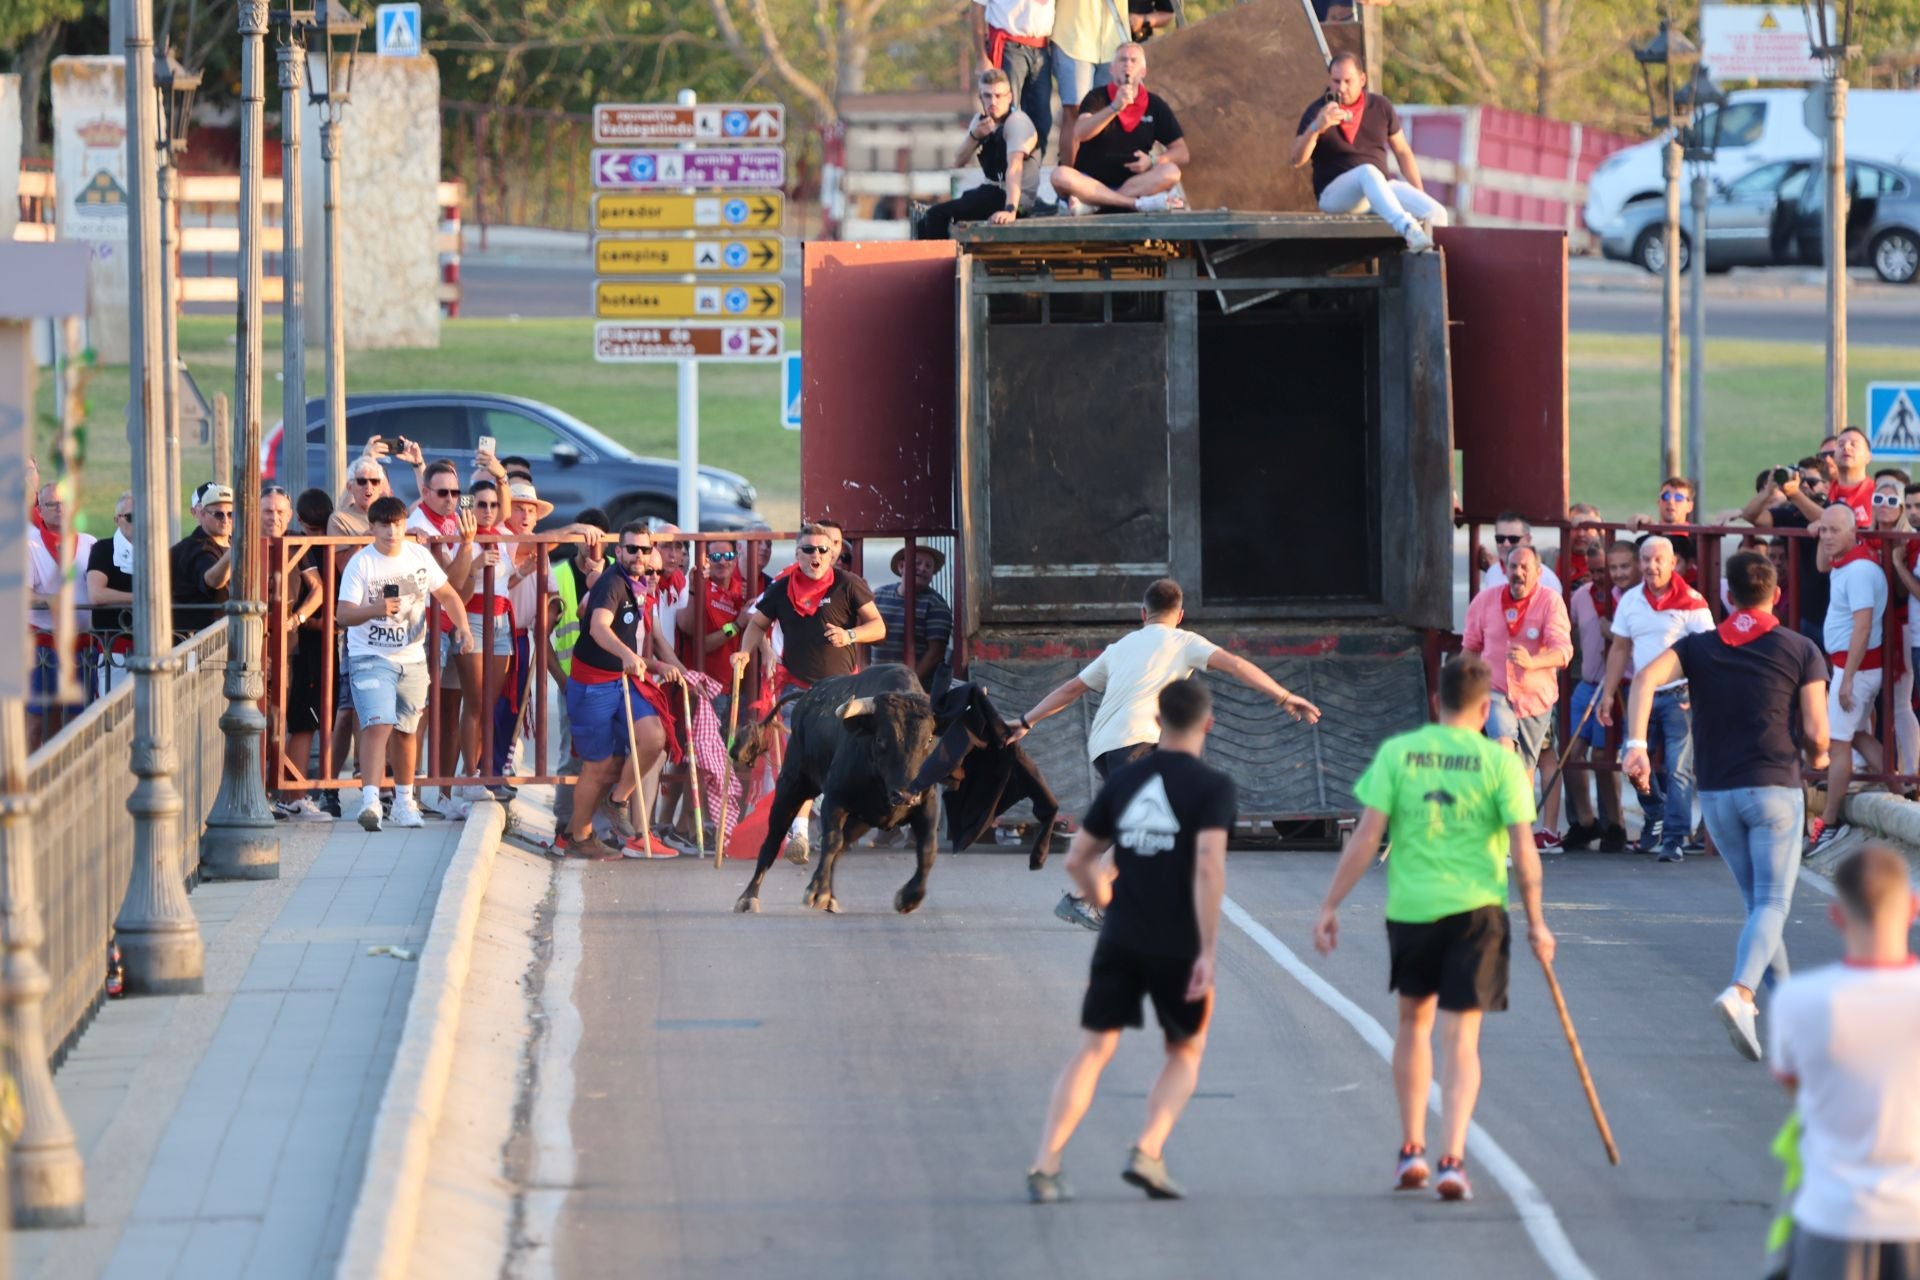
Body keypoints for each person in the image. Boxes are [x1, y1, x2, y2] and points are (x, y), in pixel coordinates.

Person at [1314, 653, 1554, 1203]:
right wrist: (1538, 923)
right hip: (1477, 911)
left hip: (1413, 908)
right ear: (1485, 708)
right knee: (1462, 1039)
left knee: (1412, 1025)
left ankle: (1411, 1149)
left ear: (1435, 701)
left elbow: (1366, 836)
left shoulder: (1401, 754)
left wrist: (1330, 905)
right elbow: (1524, 849)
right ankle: (1452, 1160)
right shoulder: (1501, 764)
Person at [1009, 578, 1321, 929]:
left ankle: (1117, 900)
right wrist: (1283, 696)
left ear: (1143, 613)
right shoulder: (1184, 641)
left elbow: (1071, 689)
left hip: (1105, 746)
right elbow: (1235, 664)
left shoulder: (1120, 647)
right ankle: (1083, 900)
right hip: (1141, 741)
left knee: (1147, 821)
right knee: (1150, 823)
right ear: (1181, 615)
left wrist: (1026, 720)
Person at [1026, 680, 1233, 1204]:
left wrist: (1106, 899)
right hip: (1179, 944)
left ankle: (1046, 1164)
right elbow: (1209, 868)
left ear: (1157, 723)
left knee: (1093, 1051)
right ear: (1207, 724)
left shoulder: (1126, 781)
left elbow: (1078, 859)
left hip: (1120, 939)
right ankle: (1147, 1149)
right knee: (1185, 1052)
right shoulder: (1212, 787)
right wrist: (1207, 951)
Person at [1623, 550, 1830, 1060]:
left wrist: (1634, 746)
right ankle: (1741, 992)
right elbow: (1818, 732)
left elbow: (1645, 679)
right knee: (1774, 904)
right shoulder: (1800, 648)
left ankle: (1790, 1023)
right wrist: (1821, 758)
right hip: (1775, 787)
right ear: (1776, 596)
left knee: (1759, 906)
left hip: (1717, 795)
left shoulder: (1698, 646)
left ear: (1725, 595)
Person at [1769, 845, 1920, 1279]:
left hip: (1832, 1214)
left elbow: (1797, 1089)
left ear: (1836, 915)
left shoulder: (1797, 1000)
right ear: (1911, 909)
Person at [731, 522, 887, 863]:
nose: (815, 556)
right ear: (797, 554)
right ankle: (799, 834)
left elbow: (878, 627)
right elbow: (757, 624)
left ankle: (853, 819)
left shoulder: (849, 585)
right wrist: (745, 652)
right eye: (807, 550)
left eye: (821, 550)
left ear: (832, 553)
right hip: (797, 692)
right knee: (802, 762)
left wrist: (849, 636)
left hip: (843, 691)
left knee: (849, 759)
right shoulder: (782, 588)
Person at [335, 496, 474, 831]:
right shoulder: (362, 563)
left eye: (397, 524)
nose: (391, 531)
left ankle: (404, 801)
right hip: (370, 656)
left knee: (407, 731)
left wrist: (464, 628)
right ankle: (370, 799)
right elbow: (343, 615)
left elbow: (448, 595)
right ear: (372, 528)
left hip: (412, 658)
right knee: (378, 723)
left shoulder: (418, 556)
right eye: (383, 525)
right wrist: (376, 609)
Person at [563, 523, 689, 859]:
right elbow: (598, 626)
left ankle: (618, 800)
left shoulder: (639, 585)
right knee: (598, 766)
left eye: (644, 549)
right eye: (631, 549)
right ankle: (578, 837)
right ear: (618, 552)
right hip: (593, 683)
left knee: (654, 737)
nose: (639, 555)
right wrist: (630, 657)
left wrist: (657, 664)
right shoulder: (614, 582)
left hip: (620, 679)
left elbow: (625, 637)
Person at [1596, 536, 1713, 861]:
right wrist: (1608, 693)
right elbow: (1620, 648)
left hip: (1681, 696)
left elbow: (1707, 653)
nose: (1651, 566)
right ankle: (1657, 812)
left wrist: (1700, 694)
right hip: (1640, 696)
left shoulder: (1692, 602)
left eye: (1658, 559)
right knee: (1630, 760)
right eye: (1645, 559)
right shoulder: (1632, 601)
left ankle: (1674, 838)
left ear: (1672, 563)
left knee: (1678, 770)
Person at [1291, 52, 1445, 254]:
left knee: (1435, 213)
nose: (1341, 88)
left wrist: (1417, 193)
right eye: (1336, 81)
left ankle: (1427, 263)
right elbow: (1296, 159)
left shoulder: (1380, 107)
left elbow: (1403, 153)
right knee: (1368, 172)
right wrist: (1316, 128)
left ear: (1362, 80)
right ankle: (1408, 228)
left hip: (1378, 189)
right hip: (1336, 195)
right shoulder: (1319, 110)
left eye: (1348, 81)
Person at [1460, 547, 1572, 820]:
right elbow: (1470, 649)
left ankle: (1511, 832)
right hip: (1495, 690)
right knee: (1503, 747)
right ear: (1504, 570)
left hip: (1536, 697)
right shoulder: (1484, 601)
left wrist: (1533, 662)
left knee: (1524, 770)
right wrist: (1461, 689)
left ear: (1538, 572)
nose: (1518, 573)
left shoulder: (1551, 601)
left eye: (1524, 567)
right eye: (1513, 567)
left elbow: (1564, 651)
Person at [1808, 506, 1888, 858]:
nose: (1826, 537)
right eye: (1822, 530)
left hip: (1853, 670)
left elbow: (1863, 626)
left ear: (1853, 531)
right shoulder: (1845, 561)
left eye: (1833, 531)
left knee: (1837, 746)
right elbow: (1822, 565)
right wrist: (1820, 534)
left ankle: (1829, 822)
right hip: (1849, 669)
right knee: (1853, 735)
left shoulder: (1859, 571)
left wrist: (1847, 680)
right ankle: (1897, 784)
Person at [1049, 43, 1188, 216]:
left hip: (1134, 183)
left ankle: (1097, 205)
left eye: (1133, 60)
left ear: (1143, 72)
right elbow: (1080, 133)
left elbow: (1182, 152)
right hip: (1091, 183)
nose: (1127, 64)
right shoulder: (1097, 97)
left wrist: (1153, 161)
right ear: (1112, 69)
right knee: (1060, 175)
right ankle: (1134, 204)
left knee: (1171, 172)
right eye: (1122, 59)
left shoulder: (1155, 104)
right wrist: (1114, 107)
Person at [263, 484, 331, 822]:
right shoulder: (242, 542)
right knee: (259, 724)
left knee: (294, 721)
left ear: (290, 515)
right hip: (251, 650)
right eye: (267, 511)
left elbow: (318, 589)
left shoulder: (296, 542)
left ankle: (293, 796)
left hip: (290, 650)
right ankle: (258, 797)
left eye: (279, 512)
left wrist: (297, 618)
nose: (273, 517)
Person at [1561, 540, 1630, 852]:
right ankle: (1586, 822)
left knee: (1604, 757)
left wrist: (1611, 633)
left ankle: (1614, 824)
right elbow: (1567, 629)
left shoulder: (1626, 599)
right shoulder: (1580, 596)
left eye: (1605, 570)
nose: (1601, 577)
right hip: (1587, 682)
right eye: (1594, 572)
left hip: (1614, 684)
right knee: (1572, 754)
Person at [921, 69, 1043, 239]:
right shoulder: (981, 122)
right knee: (929, 219)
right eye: (987, 96)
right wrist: (974, 136)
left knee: (937, 215)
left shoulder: (1017, 123)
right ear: (980, 98)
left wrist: (1010, 211)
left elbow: (1015, 168)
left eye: (998, 96)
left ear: (1009, 97)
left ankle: (936, 265)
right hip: (992, 193)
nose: (993, 101)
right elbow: (958, 162)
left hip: (1016, 201)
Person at [28, 480, 99, 743]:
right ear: (41, 509)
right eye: (52, 504)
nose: (60, 509)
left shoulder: (90, 542)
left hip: (83, 646)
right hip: (43, 645)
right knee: (39, 719)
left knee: (79, 719)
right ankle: (32, 776)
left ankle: (74, 777)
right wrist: (52, 601)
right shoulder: (29, 545)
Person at [1744, 455, 1832, 646]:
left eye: (1812, 482)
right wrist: (1769, 490)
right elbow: (1751, 516)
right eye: (1802, 481)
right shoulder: (1791, 513)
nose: (1805, 486)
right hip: (1804, 611)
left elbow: (1830, 521)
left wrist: (1795, 495)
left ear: (1827, 486)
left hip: (1832, 610)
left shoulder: (1837, 509)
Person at [1869, 476, 1918, 777]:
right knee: (1862, 702)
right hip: (1868, 625)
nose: (1884, 507)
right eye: (1878, 500)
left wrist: (1895, 558)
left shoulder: (1909, 541)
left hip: (1899, 625)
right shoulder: (1860, 537)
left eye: (1891, 501)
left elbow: (1902, 591)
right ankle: (1869, 769)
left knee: (1901, 703)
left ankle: (1911, 773)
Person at [970, 0, 1054, 160]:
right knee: (1005, 115)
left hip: (1041, 46)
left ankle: (1032, 171)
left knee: (1041, 118)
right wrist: (981, 57)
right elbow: (977, 8)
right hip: (1009, 45)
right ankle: (1001, 172)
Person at [1049, 0, 1127, 169]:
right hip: (1074, 36)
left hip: (1113, 39)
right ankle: (1070, 187)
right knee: (1075, 113)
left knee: (1107, 114)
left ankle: (1099, 183)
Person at [870, 544, 954, 691]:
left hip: (915, 688)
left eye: (929, 566)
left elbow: (936, 652)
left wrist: (909, 681)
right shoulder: (878, 595)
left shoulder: (935, 604)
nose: (923, 568)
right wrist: (865, 671)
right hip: (876, 681)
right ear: (901, 566)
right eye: (917, 563)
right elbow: (864, 635)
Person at [84, 491, 137, 696]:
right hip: (115, 647)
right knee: (116, 714)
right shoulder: (104, 549)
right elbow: (96, 594)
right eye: (132, 517)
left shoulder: (156, 550)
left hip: (153, 647)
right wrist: (139, 599)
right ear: (117, 520)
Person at [679, 538, 746, 685]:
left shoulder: (742, 590)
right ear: (707, 561)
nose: (722, 562)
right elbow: (701, 645)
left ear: (735, 560)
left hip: (738, 685)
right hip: (709, 687)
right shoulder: (699, 590)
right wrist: (735, 626)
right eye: (716, 557)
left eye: (728, 556)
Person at [170, 482, 234, 633]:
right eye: (219, 514)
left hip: (227, 636)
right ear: (201, 514)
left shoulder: (230, 543)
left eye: (231, 514)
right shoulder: (197, 547)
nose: (225, 519)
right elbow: (213, 581)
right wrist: (234, 552)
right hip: (197, 644)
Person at [1479, 512, 1565, 596]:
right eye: (1500, 539)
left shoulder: (1547, 579)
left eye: (1513, 539)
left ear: (1528, 540)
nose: (1506, 544)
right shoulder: (1492, 572)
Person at [1828, 425, 1875, 526]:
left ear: (1868, 457)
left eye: (1854, 445)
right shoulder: (1824, 491)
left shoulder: (1877, 494)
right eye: (1841, 445)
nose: (1846, 447)